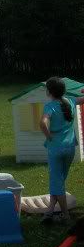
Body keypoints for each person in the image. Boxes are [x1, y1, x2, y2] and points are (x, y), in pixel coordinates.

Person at [39, 77, 84, 222]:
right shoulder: (70, 101)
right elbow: (82, 99)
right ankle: (50, 210)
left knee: (57, 182)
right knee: (58, 181)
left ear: (49, 91)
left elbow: (43, 123)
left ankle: (66, 216)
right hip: (70, 148)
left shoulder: (50, 106)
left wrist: (49, 136)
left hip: (56, 149)